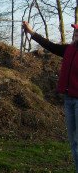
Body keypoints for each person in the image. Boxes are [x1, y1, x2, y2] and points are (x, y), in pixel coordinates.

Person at [22, 21, 78, 172]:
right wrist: (31, 32)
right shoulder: (68, 49)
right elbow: (49, 45)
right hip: (68, 100)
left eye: (77, 33)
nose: (75, 35)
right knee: (73, 142)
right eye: (74, 32)